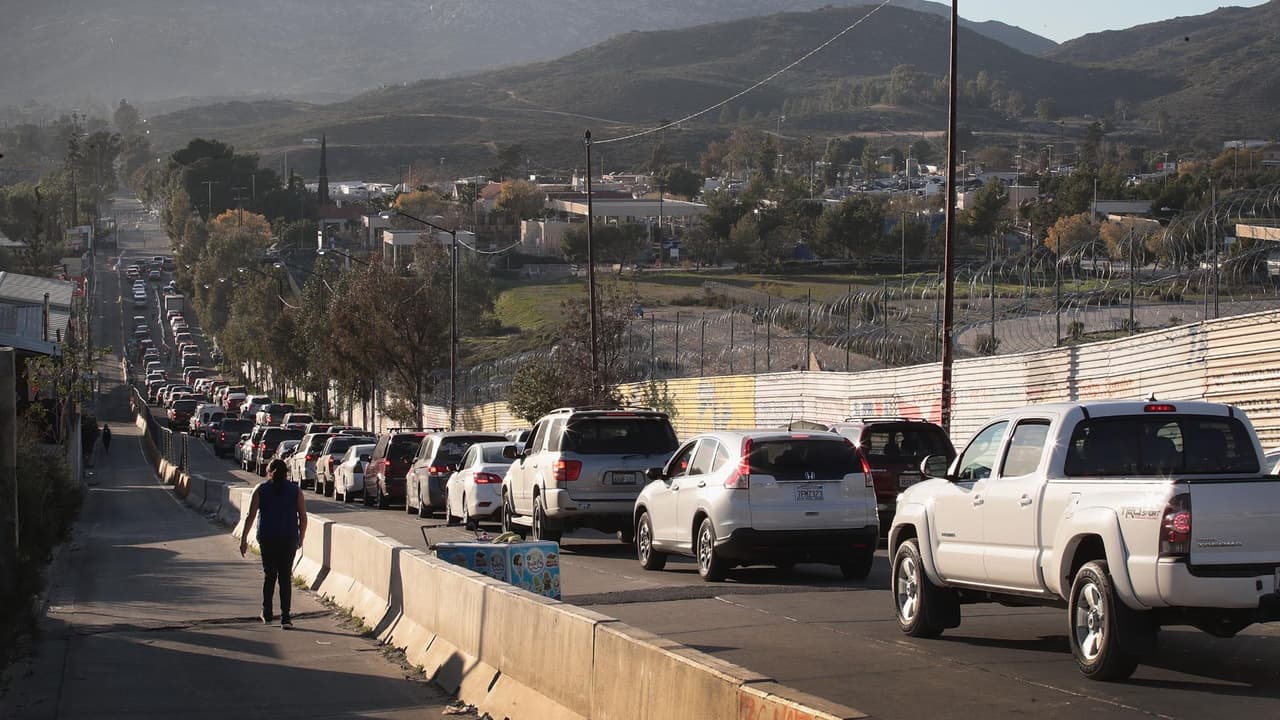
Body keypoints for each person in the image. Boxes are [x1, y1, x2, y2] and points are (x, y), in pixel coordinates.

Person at [240, 458, 307, 629]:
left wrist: (243, 539)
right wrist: (301, 537)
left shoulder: (260, 489)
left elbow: (250, 515)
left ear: (268, 472)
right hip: (288, 538)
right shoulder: (295, 491)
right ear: (286, 473)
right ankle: (286, 617)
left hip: (267, 537)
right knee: (285, 577)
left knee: (270, 575)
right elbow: (303, 517)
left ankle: (267, 612)